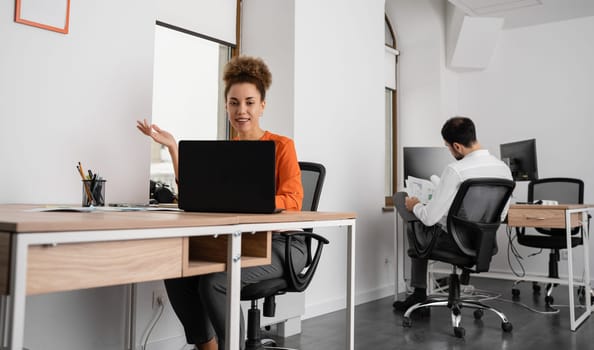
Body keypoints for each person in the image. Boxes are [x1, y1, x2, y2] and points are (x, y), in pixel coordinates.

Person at [137, 56, 307, 350]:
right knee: (176, 272)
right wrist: (174, 148)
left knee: (215, 281)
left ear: (262, 106)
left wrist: (249, 200)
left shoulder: (281, 146)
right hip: (239, 243)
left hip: (284, 245)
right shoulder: (227, 152)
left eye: (250, 102)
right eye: (234, 102)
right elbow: (197, 195)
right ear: (226, 106)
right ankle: (208, 347)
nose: (241, 110)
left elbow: (293, 201)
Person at [392, 116, 512, 312]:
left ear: (457, 146)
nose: (449, 151)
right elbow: (501, 214)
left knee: (402, 201)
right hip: (484, 243)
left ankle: (419, 294)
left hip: (453, 242)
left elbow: (429, 218)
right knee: (423, 223)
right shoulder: (503, 169)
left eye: (448, 147)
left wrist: (415, 206)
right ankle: (420, 292)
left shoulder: (456, 170)